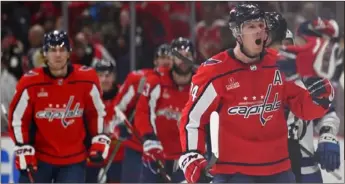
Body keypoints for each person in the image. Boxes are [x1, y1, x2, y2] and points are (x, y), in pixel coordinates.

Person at [177, 3, 334, 183]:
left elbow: (304, 108)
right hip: (234, 173)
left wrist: (322, 95)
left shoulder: (281, 65)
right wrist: (192, 154)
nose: (259, 31)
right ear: (237, 33)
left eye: (261, 26)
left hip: (279, 170)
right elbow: (193, 119)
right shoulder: (215, 71)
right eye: (251, 26)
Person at [7, 30, 110, 183]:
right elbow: (18, 118)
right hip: (39, 158)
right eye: (52, 50)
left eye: (62, 49)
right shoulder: (30, 82)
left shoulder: (86, 79)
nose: (57, 55)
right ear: (45, 54)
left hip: (74, 160)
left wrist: (98, 136)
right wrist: (23, 146)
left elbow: (96, 112)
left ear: (69, 53)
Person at [276, 18, 343, 183]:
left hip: (306, 166)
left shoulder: (310, 77)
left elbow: (327, 112)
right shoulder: (254, 78)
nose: (284, 50)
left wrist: (327, 134)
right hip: (265, 165)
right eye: (280, 45)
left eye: (288, 44)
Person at [134, 37, 195, 182]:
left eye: (187, 56)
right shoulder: (156, 81)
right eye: (178, 55)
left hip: (186, 159)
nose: (182, 60)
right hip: (156, 155)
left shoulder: (200, 85)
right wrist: (149, 138)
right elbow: (143, 111)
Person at [111, 43, 173, 183]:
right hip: (138, 148)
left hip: (168, 152)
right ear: (155, 61)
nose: (167, 61)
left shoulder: (182, 85)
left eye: (170, 58)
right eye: (163, 57)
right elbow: (117, 108)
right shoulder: (139, 80)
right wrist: (120, 126)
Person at [85, 60, 124, 183]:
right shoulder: (87, 96)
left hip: (117, 156)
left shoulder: (124, 94)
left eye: (108, 75)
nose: (104, 79)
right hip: (93, 155)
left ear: (114, 76)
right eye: (100, 75)